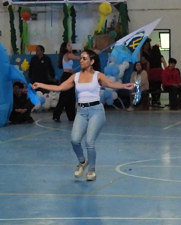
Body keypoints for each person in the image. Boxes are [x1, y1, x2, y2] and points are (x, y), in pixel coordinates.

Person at [32, 48, 134, 182]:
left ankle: (91, 170)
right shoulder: (75, 76)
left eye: (84, 58)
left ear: (92, 61)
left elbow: (111, 83)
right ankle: (82, 161)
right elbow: (60, 88)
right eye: (80, 58)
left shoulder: (98, 75)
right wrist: (40, 85)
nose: (81, 60)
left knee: (89, 142)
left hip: (96, 111)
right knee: (74, 140)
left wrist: (125, 86)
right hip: (81, 111)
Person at [52, 42, 78, 123]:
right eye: (69, 45)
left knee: (71, 97)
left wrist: (70, 70)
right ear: (65, 47)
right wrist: (89, 56)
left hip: (69, 76)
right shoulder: (68, 55)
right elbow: (79, 58)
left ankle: (71, 116)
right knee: (64, 97)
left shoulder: (66, 55)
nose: (71, 46)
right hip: (66, 77)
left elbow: (66, 68)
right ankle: (56, 115)